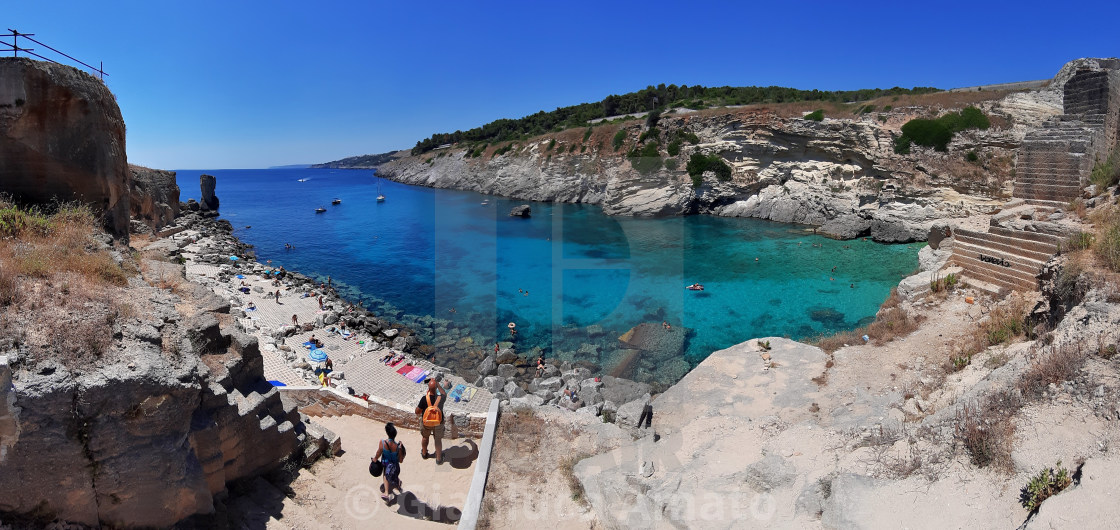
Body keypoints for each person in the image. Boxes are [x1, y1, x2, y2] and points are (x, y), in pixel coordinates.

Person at [415, 378, 446, 463]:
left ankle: (424, 454)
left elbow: (417, 412)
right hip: (438, 423)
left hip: (426, 423)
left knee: (425, 437)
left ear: (428, 388)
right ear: (436, 388)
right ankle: (439, 458)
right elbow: (444, 393)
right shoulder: (441, 398)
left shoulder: (424, 399)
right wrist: (438, 384)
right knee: (438, 440)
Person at [374, 422, 406, 503]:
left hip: (386, 463)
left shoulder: (383, 442)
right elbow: (401, 460)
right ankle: (398, 485)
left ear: (387, 433)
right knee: (394, 475)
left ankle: (386, 493)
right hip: (395, 465)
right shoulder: (398, 447)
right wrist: (401, 448)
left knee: (385, 475)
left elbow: (379, 452)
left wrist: (375, 459)